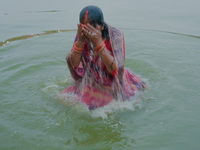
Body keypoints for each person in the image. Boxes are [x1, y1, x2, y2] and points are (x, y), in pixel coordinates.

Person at [62, 5, 146, 110]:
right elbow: (74, 64)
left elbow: (115, 69)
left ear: (101, 26)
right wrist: (80, 42)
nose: (88, 33)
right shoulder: (83, 34)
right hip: (91, 78)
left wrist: (99, 44)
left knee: (123, 103)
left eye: (91, 28)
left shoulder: (116, 35)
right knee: (64, 99)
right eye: (84, 28)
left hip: (112, 80)